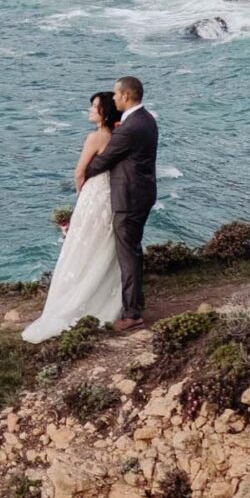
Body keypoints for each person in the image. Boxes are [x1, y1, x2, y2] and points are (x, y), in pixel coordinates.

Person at [22, 90, 125, 343]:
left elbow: (80, 172)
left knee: (82, 246)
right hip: (111, 196)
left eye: (94, 106)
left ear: (104, 112)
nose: (90, 110)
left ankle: (75, 301)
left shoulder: (96, 137)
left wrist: (82, 194)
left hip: (94, 194)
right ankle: (105, 300)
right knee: (103, 247)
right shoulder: (119, 136)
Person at [79, 74, 159, 327]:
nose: (113, 98)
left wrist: (86, 177)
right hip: (142, 193)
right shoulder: (147, 119)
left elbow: (104, 161)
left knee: (128, 254)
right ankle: (133, 303)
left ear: (125, 96)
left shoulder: (131, 127)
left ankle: (132, 313)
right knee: (132, 250)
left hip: (130, 197)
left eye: (115, 94)